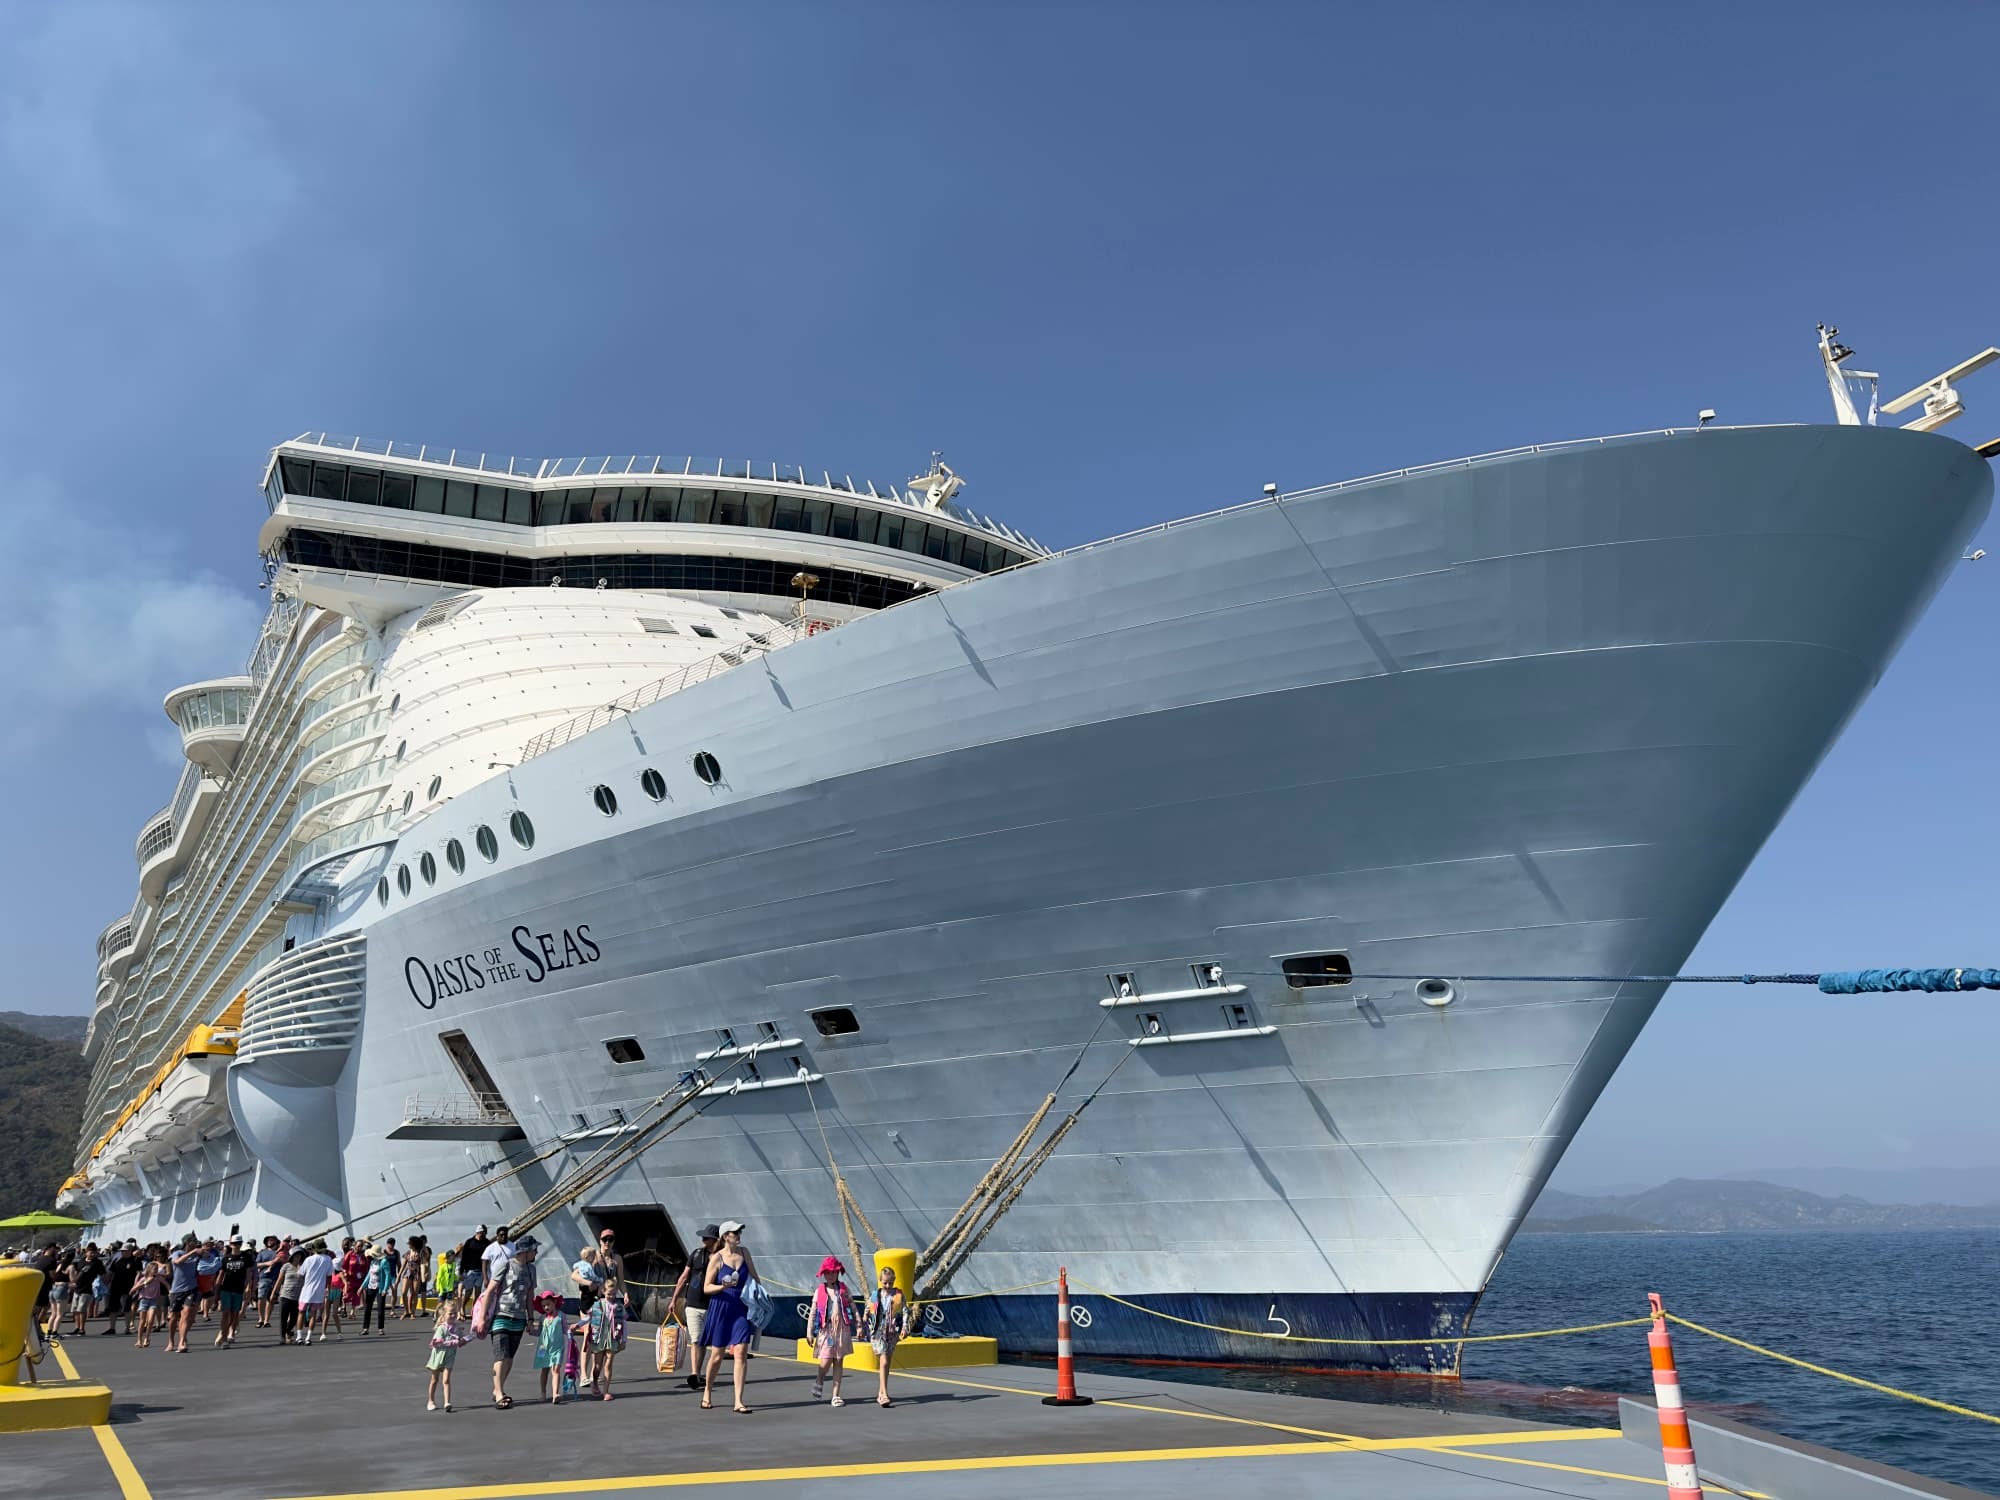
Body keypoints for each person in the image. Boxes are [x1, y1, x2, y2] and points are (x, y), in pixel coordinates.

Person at [697, 1221, 757, 1414]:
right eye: (734, 1232)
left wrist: (758, 1296)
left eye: (739, 1232)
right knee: (717, 1355)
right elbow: (706, 1288)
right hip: (722, 1306)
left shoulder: (745, 1252)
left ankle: (739, 1400)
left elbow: (756, 1278)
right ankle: (707, 1391)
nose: (738, 1234)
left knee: (740, 1351)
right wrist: (723, 1286)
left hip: (740, 1307)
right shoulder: (717, 1258)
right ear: (725, 1236)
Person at [487, 1235, 538, 1409]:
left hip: (519, 1317)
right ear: (526, 1251)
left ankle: (497, 1389)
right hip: (501, 1314)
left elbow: (530, 1296)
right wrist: (480, 1318)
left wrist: (531, 1319)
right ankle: (500, 1393)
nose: (536, 1252)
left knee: (509, 1357)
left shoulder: (532, 1269)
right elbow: (490, 1291)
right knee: (501, 1355)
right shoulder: (506, 1265)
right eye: (534, 1249)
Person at [671, 1224, 719, 1389]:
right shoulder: (697, 1254)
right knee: (697, 1339)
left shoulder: (721, 1256)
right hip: (692, 1303)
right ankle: (694, 1373)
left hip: (712, 1304)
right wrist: (674, 1298)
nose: (703, 1240)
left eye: (706, 1238)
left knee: (704, 1342)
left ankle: (698, 1373)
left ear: (715, 1239)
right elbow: (684, 1276)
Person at [807, 1256, 855, 1406]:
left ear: (838, 1273)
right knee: (826, 1360)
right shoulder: (819, 1291)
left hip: (842, 1330)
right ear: (824, 1274)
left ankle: (836, 1395)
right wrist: (809, 1331)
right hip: (827, 1330)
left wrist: (859, 1324)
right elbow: (813, 1312)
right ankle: (820, 1379)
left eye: (834, 1272)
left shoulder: (844, 1289)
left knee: (839, 1360)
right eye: (828, 1273)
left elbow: (852, 1306)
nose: (831, 1275)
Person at [864, 1263, 909, 1408]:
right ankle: (884, 1394)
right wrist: (865, 1315)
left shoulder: (898, 1295)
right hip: (878, 1331)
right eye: (885, 1282)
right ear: (880, 1281)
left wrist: (904, 1327)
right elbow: (869, 1306)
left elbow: (905, 1311)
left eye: (890, 1282)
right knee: (883, 1361)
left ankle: (881, 1391)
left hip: (892, 1332)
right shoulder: (875, 1294)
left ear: (894, 1281)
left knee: (887, 1362)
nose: (888, 1285)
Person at [426, 1291, 468, 1412]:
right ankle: (431, 1400)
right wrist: (453, 1342)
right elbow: (437, 1343)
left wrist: (464, 1340)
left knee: (446, 1380)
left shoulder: (457, 1328)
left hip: (449, 1357)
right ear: (444, 1314)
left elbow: (461, 1340)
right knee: (434, 1380)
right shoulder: (441, 1328)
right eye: (451, 1314)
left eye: (455, 1314)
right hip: (438, 1356)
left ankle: (447, 1402)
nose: (453, 1316)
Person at [167, 1234, 202, 1354]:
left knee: (186, 1314)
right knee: (173, 1317)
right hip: (177, 1290)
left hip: (191, 1288)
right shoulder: (178, 1253)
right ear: (187, 1243)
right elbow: (176, 1262)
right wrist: (192, 1253)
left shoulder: (197, 1255)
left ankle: (182, 1341)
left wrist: (207, 1253)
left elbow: (209, 1259)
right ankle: (171, 1341)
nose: (196, 1244)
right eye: (193, 1242)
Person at [215, 1236, 252, 1347]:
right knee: (225, 1313)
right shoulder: (226, 1258)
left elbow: (248, 1274)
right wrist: (217, 1290)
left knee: (234, 1314)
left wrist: (247, 1288)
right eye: (234, 1243)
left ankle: (225, 1333)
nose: (236, 1245)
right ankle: (224, 1336)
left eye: (238, 1243)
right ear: (230, 1244)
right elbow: (221, 1274)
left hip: (239, 1289)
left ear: (241, 1244)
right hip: (226, 1288)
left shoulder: (246, 1257)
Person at [531, 1290, 566, 1404]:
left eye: (548, 1304)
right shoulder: (542, 1318)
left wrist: (572, 1330)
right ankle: (543, 1393)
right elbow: (539, 1332)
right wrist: (531, 1331)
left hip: (557, 1347)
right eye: (543, 1305)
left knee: (555, 1369)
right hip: (543, 1347)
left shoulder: (561, 1316)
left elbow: (565, 1330)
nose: (546, 1307)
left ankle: (555, 1393)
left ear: (554, 1302)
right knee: (544, 1369)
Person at [298, 1241, 335, 1344]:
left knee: (301, 1312)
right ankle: (308, 1337)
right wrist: (328, 1288)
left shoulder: (308, 1259)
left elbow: (300, 1274)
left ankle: (299, 1336)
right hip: (319, 1291)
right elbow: (329, 1276)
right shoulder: (328, 1259)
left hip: (306, 1290)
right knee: (313, 1314)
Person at [132, 1250, 167, 1348]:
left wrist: (171, 1292)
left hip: (154, 1300)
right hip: (144, 1300)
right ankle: (139, 1339)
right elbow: (135, 1287)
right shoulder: (144, 1279)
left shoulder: (158, 1278)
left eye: (157, 1269)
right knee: (142, 1321)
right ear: (149, 1269)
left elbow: (167, 1285)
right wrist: (139, 1287)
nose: (156, 1271)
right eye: (154, 1269)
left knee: (151, 1320)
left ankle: (147, 1337)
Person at [360, 1241, 395, 1334]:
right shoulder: (373, 1262)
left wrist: (385, 1289)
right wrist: (362, 1287)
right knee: (368, 1308)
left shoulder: (384, 1262)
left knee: (380, 1309)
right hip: (371, 1286)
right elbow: (369, 1275)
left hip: (380, 1288)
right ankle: (365, 1328)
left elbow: (388, 1276)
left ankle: (380, 1328)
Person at [275, 1248, 305, 1345]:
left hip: (298, 1296)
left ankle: (288, 1330)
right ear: (292, 1256)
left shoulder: (303, 1267)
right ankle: (282, 1337)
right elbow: (279, 1280)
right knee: (283, 1317)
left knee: (294, 1318)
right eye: (296, 1255)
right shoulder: (286, 1266)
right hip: (285, 1295)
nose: (298, 1257)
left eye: (299, 1255)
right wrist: (274, 1293)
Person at [255, 1236, 282, 1327]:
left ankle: (267, 1320)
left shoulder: (280, 1252)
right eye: (268, 1240)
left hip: (276, 1279)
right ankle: (260, 1318)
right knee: (261, 1298)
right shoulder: (262, 1253)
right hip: (264, 1277)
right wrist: (267, 1263)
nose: (269, 1241)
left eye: (272, 1240)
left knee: (271, 1299)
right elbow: (256, 1265)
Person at [194, 1239, 223, 1321]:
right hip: (200, 1276)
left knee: (208, 1296)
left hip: (210, 1276)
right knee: (198, 1297)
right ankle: (193, 1316)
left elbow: (219, 1260)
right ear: (204, 1244)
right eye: (208, 1244)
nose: (210, 1245)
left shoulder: (215, 1251)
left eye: (211, 1244)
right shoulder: (199, 1252)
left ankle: (206, 1314)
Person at [481, 1224, 513, 1293]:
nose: (503, 1237)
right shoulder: (491, 1248)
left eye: (505, 1235)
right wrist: (485, 1278)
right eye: (501, 1235)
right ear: (497, 1236)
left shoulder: (513, 1246)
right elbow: (484, 1263)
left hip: (507, 1278)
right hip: (493, 1278)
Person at [457, 1228, 488, 1299]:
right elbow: (464, 1258)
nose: (483, 1234)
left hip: (480, 1271)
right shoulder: (470, 1242)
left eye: (484, 1233)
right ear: (477, 1232)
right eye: (481, 1233)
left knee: (477, 1292)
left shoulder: (486, 1243)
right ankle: (462, 1306)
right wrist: (461, 1271)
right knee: (468, 1290)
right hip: (470, 1271)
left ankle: (474, 1308)